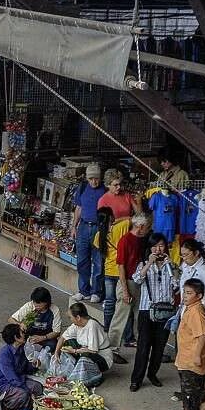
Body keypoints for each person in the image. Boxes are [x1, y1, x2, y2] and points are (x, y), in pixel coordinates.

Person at [129, 232, 178, 392]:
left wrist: (172, 267)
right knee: (143, 347)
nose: (158, 249)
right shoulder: (143, 264)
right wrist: (149, 264)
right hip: (146, 311)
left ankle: (152, 374)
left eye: (161, 245)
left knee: (159, 347)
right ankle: (136, 379)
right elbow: (137, 279)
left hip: (165, 312)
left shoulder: (171, 265)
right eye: (155, 246)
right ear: (149, 248)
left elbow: (178, 286)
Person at [108, 213, 151, 362]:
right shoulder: (125, 240)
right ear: (140, 227)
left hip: (138, 281)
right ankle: (112, 349)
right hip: (127, 281)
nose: (147, 229)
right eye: (146, 227)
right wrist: (125, 290)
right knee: (120, 317)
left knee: (142, 317)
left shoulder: (140, 240)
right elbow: (121, 267)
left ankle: (143, 346)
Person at [175, 278, 205, 410]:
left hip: (192, 361)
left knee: (191, 391)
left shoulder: (197, 312)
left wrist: (197, 355)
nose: (184, 296)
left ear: (199, 296)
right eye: (184, 292)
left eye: (189, 293)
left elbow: (202, 335)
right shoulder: (191, 308)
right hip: (186, 358)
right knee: (187, 389)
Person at [72, 164, 107, 302]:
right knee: (82, 261)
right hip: (83, 227)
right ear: (87, 178)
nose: (94, 181)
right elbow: (78, 208)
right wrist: (73, 226)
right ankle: (83, 290)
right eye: (91, 178)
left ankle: (96, 292)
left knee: (98, 261)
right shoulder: (82, 188)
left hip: (99, 228)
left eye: (96, 178)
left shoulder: (105, 191)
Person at [55, 303, 113, 384]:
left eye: (70, 317)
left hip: (102, 357)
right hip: (84, 351)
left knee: (85, 357)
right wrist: (56, 353)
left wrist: (74, 351)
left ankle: (95, 376)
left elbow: (93, 351)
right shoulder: (76, 325)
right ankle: (74, 369)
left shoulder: (92, 325)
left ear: (78, 317)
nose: (70, 319)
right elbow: (63, 338)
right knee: (67, 343)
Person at [0, 323, 42, 410]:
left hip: (19, 379)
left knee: (37, 387)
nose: (24, 334)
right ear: (16, 337)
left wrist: (33, 365)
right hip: (4, 384)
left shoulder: (20, 349)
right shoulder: (5, 354)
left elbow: (25, 368)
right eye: (22, 332)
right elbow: (12, 378)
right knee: (23, 394)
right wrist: (26, 389)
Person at [8, 286, 62, 352]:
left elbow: (57, 332)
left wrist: (43, 337)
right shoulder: (29, 306)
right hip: (29, 336)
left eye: (39, 303)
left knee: (52, 345)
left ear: (46, 302)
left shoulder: (54, 310)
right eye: (34, 302)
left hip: (45, 337)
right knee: (17, 343)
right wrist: (19, 324)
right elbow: (11, 319)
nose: (36, 305)